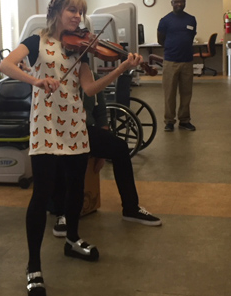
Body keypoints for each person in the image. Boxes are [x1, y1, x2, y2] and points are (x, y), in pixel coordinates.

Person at [0, 0, 142, 296]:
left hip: (75, 126)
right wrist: (36, 81)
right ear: (57, 13)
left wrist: (119, 70)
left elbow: (89, 88)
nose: (77, 17)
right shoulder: (36, 41)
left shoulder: (82, 49)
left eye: (80, 12)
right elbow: (6, 65)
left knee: (76, 189)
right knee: (42, 194)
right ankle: (33, 266)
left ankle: (73, 239)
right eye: (71, 11)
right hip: (46, 127)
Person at [50, 84, 161, 236]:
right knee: (60, 156)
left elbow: (101, 113)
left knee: (120, 148)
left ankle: (131, 208)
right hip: (61, 131)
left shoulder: (91, 76)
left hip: (86, 129)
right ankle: (61, 214)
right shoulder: (58, 75)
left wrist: (102, 153)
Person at [157, 0, 197, 132]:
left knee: (186, 93)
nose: (179, 4)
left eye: (182, 1)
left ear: (185, 2)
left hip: (187, 61)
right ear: (172, 3)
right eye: (176, 2)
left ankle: (184, 121)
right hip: (170, 62)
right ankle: (169, 121)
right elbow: (160, 40)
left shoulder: (191, 19)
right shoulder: (165, 20)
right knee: (169, 94)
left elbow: (190, 37)